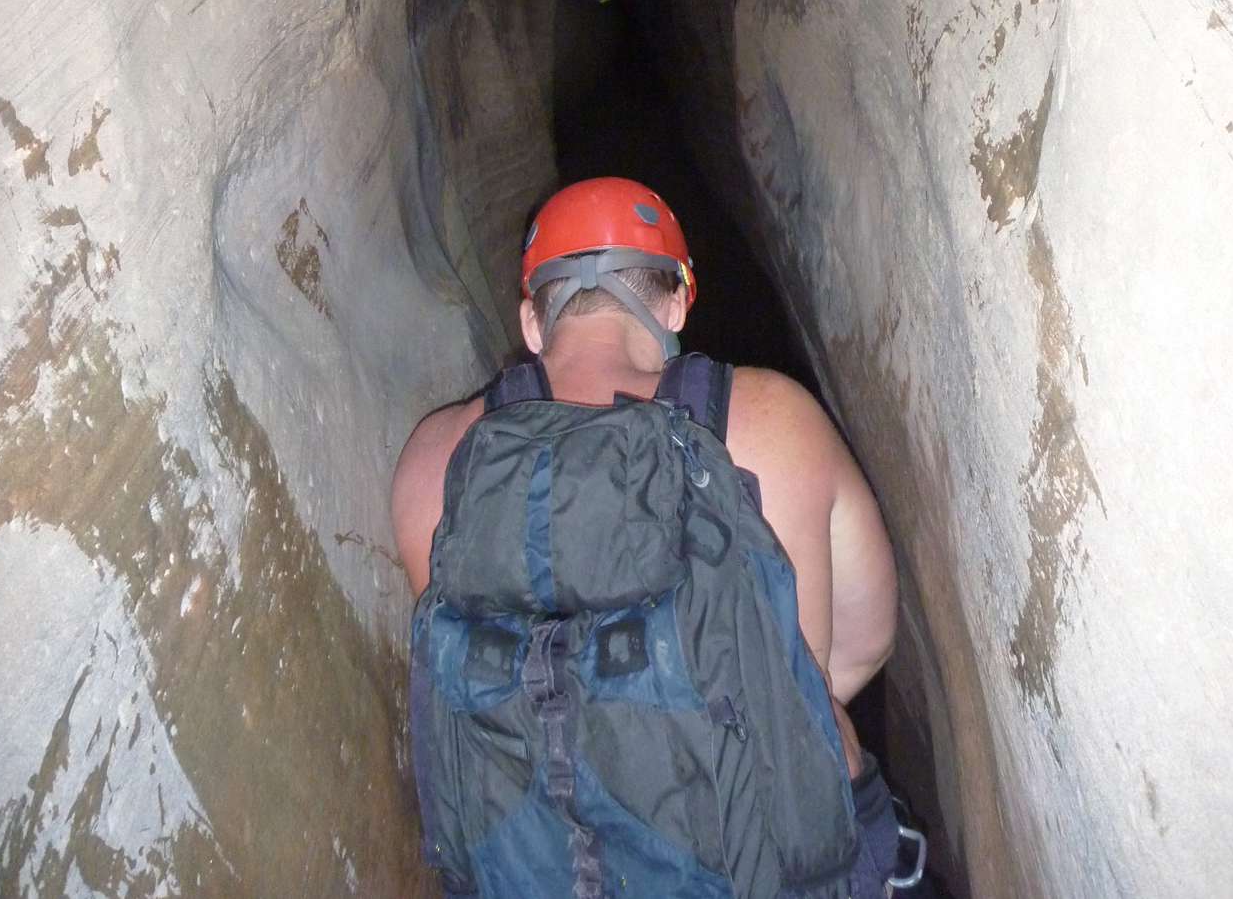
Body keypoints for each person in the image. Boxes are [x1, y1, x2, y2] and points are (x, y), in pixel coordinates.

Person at [392, 177, 918, 897]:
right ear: (675, 304)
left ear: (532, 321)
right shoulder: (769, 422)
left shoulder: (434, 462)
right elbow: (861, 643)